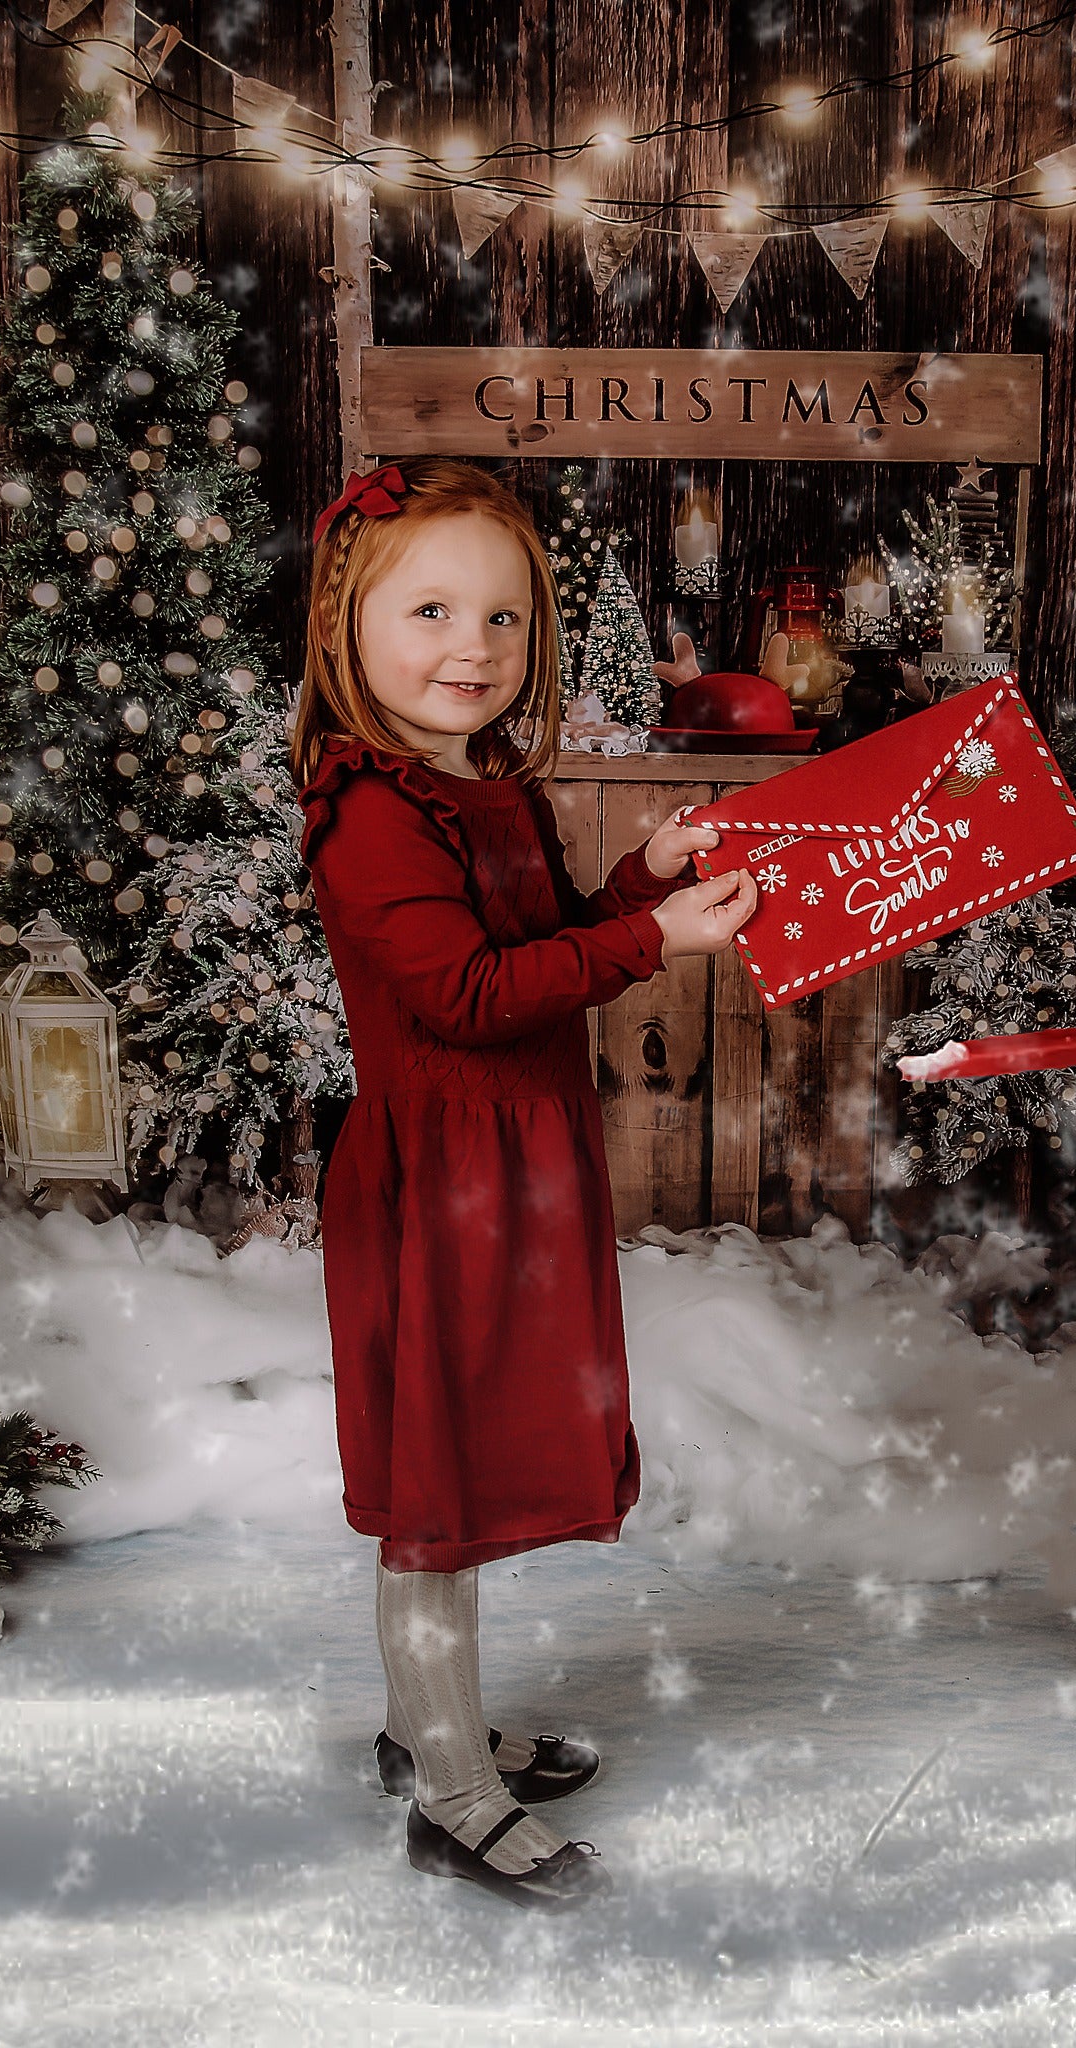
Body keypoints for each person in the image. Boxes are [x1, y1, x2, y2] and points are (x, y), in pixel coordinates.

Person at [291, 458, 756, 1909]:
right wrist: (653, 943)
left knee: (473, 1476)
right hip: (440, 1193)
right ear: (344, 625)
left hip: (512, 1177)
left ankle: (427, 1725)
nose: (470, 648)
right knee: (442, 1493)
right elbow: (468, 996)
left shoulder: (475, 785)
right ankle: (447, 1790)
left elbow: (536, 938)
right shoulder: (368, 813)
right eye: (428, 609)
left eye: (500, 618)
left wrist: (635, 886)